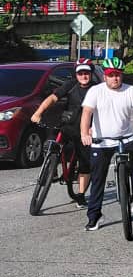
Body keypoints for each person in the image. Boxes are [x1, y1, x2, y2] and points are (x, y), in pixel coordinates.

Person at [80, 57, 133, 230]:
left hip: (126, 138)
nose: (115, 78)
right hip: (101, 142)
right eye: (111, 75)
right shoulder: (95, 91)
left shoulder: (131, 90)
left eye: (118, 75)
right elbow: (86, 112)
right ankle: (94, 216)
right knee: (98, 178)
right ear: (104, 76)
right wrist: (84, 133)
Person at [31, 58, 98, 204]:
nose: (84, 76)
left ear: (91, 73)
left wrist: (95, 129)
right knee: (51, 141)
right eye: (80, 73)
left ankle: (80, 195)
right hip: (68, 125)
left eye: (86, 73)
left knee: (85, 164)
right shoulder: (71, 85)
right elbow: (53, 98)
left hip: (86, 131)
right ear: (76, 74)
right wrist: (38, 113)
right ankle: (51, 168)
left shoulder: (97, 89)